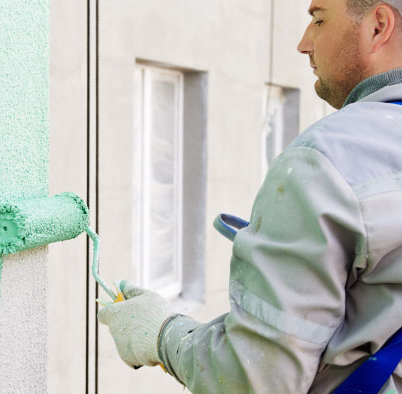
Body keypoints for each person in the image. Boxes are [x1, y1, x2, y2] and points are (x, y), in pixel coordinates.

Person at [98, 0, 402, 392]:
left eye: (319, 18)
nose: (303, 43)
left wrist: (162, 334)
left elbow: (255, 379)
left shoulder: (324, 161)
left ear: (378, 26)